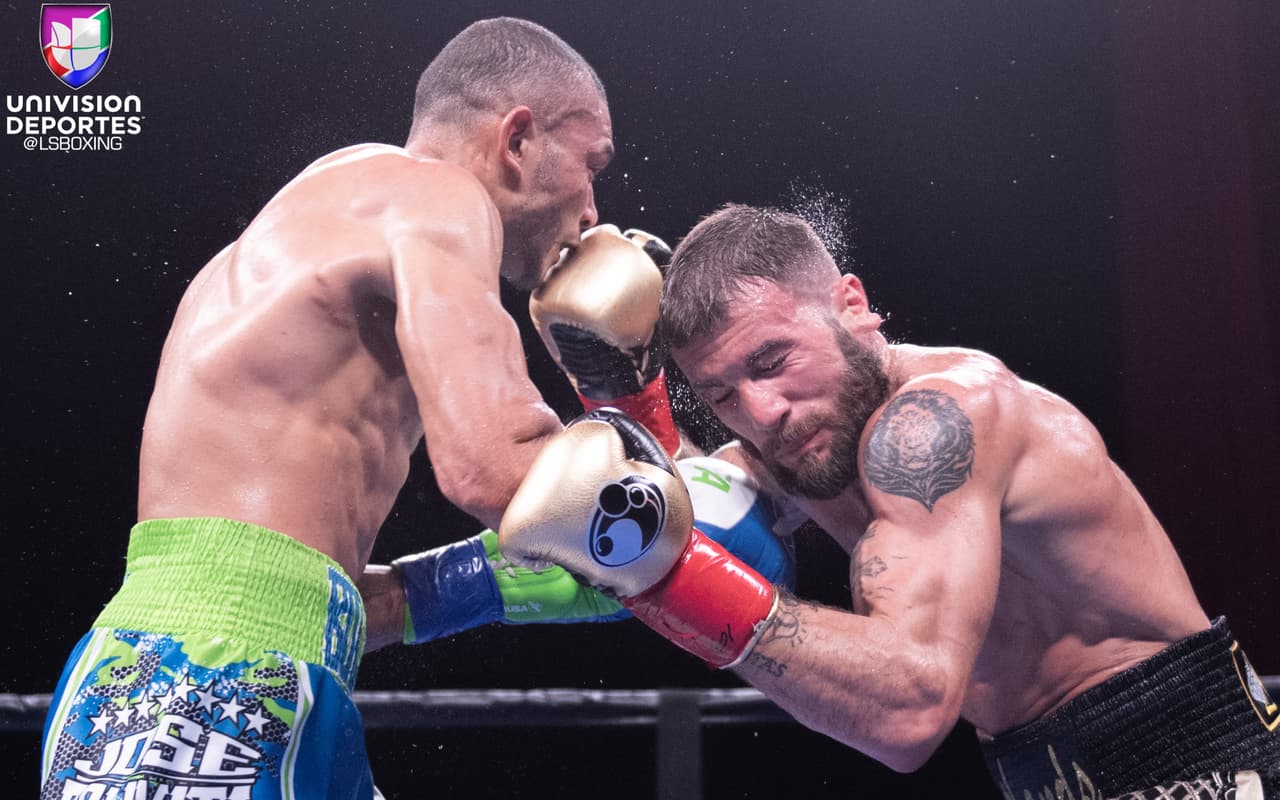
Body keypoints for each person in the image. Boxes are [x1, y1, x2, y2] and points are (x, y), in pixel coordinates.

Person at [496, 204, 1280, 798]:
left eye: (774, 360)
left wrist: (667, 575)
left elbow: (908, 710)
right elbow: (611, 535)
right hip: (1044, 773)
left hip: (1195, 764)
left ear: (851, 303)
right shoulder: (799, 446)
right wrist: (627, 404)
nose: (763, 412)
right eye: (723, 396)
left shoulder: (944, 419)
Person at [39, 17, 612, 798]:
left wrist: (477, 582)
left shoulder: (334, 208)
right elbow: (492, 467)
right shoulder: (438, 200)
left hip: (213, 667)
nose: (593, 210)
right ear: (517, 139)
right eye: (592, 164)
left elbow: (278, 572)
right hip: (205, 679)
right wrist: (664, 476)